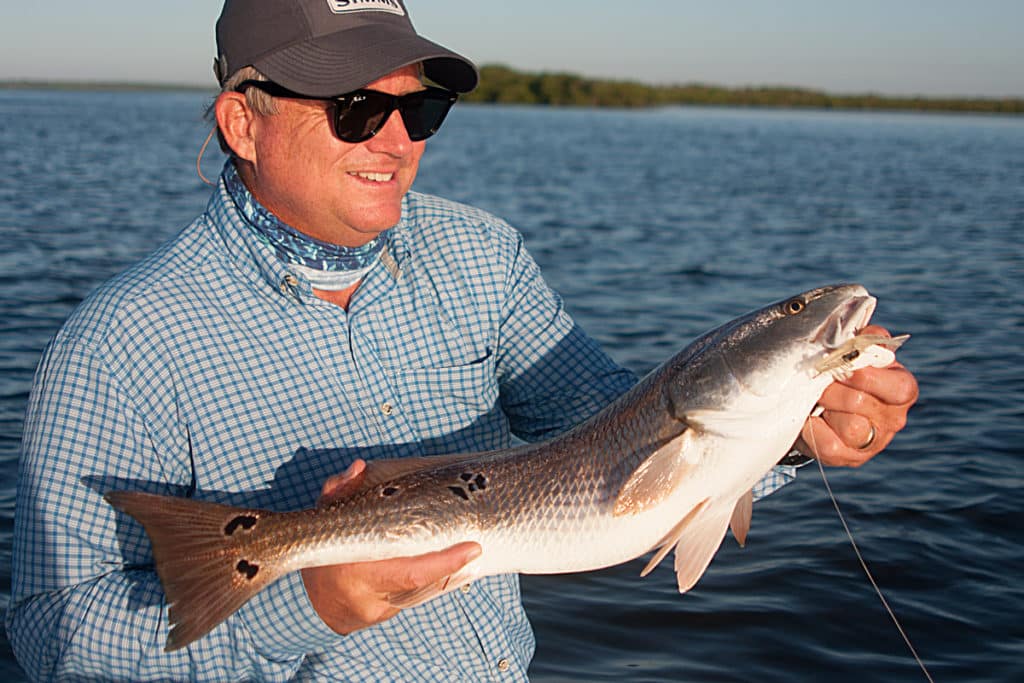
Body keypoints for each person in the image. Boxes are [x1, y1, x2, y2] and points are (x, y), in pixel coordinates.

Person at [6, 1, 919, 680]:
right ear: (243, 120)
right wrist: (310, 604)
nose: (399, 139)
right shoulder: (116, 348)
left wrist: (801, 429)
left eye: (423, 109)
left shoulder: (480, 254)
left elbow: (612, 430)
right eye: (357, 108)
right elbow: (52, 638)